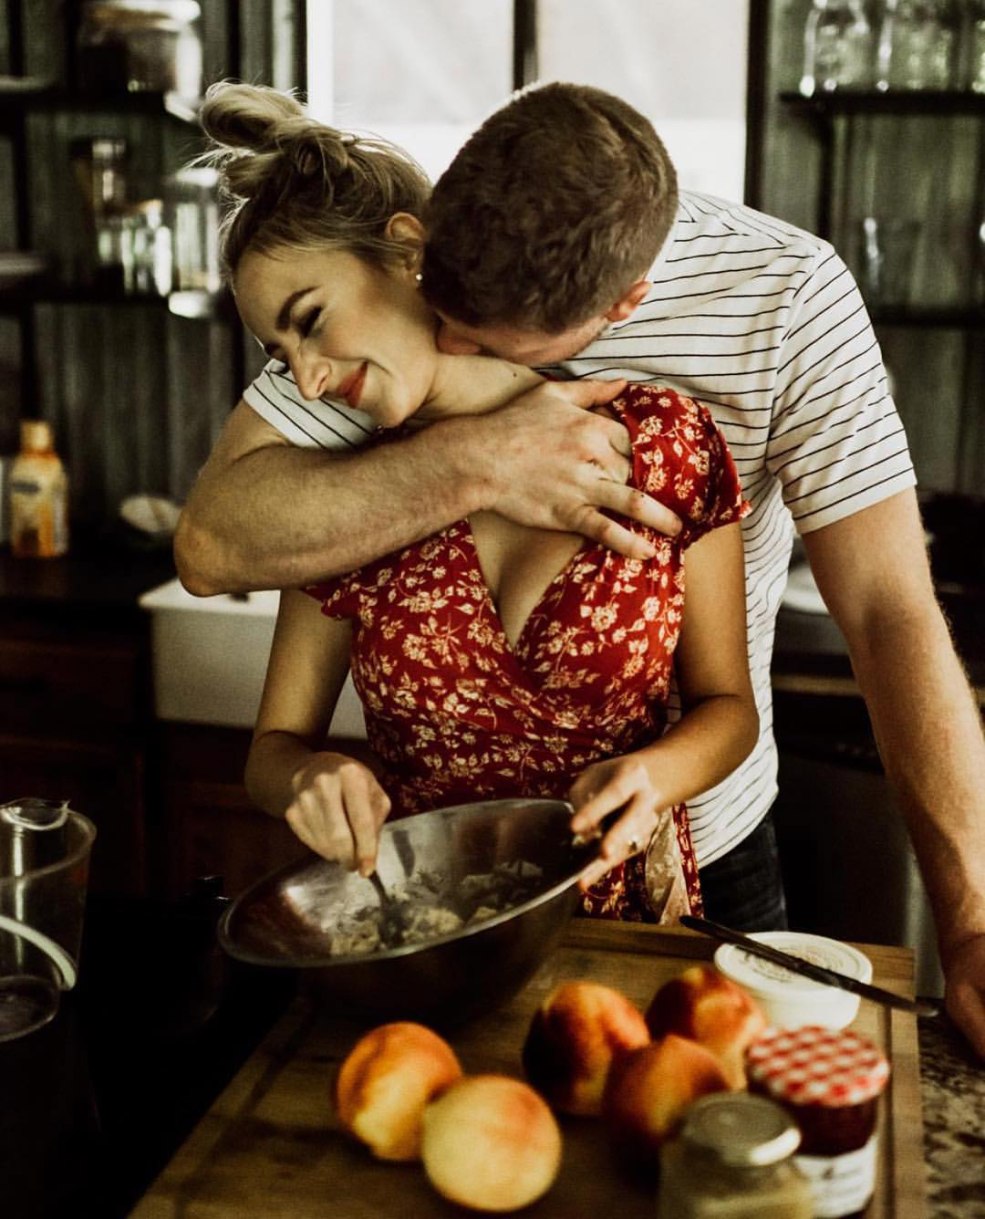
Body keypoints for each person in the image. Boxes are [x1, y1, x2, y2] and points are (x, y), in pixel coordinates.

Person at [176, 82, 985, 1055]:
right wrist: (476, 459)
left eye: (483, 327)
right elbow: (212, 548)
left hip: (684, 877)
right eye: (452, 307)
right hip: (431, 913)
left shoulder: (753, 332)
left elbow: (886, 612)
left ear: (621, 306)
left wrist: (971, 922)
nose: (454, 335)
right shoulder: (360, 368)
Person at [196, 81, 759, 921]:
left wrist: (658, 772)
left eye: (309, 321)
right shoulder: (339, 495)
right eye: (280, 354)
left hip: (627, 931)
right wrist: (309, 774)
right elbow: (271, 751)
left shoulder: (662, 439)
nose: (305, 380)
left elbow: (728, 707)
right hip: (424, 931)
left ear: (405, 252)